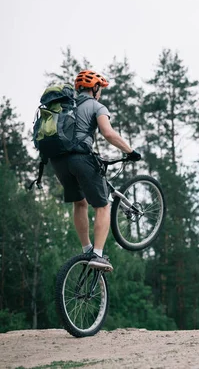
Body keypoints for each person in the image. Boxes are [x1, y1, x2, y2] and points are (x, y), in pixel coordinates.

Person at [50, 70, 141, 271]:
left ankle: (87, 249)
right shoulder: (96, 106)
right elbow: (108, 133)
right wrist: (130, 151)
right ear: (95, 88)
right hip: (80, 158)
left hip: (58, 161)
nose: (100, 93)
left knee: (80, 203)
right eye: (100, 89)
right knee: (103, 206)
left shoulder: (65, 106)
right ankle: (98, 255)